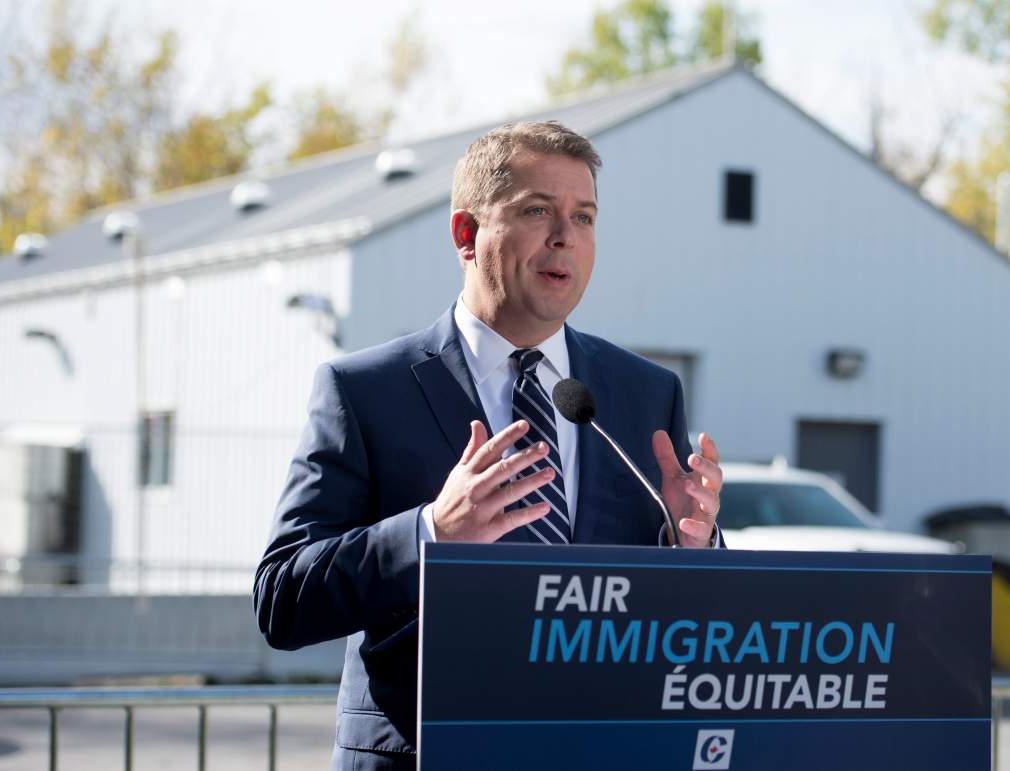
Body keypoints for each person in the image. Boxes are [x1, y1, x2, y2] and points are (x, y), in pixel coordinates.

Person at [254, 120, 723, 771]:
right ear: (466, 234)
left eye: (584, 216)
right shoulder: (364, 390)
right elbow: (282, 598)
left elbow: (683, 614)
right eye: (537, 211)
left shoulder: (644, 395)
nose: (566, 236)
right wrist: (430, 531)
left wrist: (693, 545)